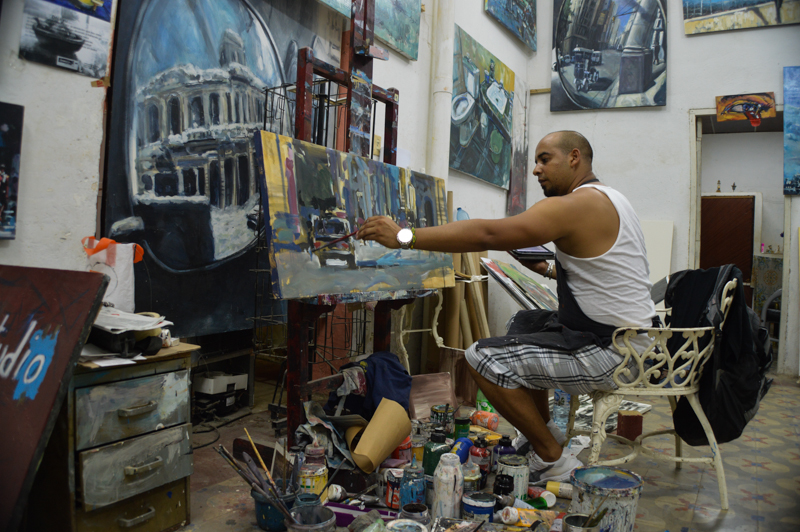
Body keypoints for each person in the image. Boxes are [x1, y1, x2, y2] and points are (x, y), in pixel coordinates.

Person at [357, 131, 656, 482]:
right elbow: (604, 273)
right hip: (631, 342)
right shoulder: (612, 199)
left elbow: (489, 235)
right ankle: (545, 434)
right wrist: (547, 270)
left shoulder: (577, 205)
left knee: (482, 357)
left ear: (574, 157)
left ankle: (553, 459)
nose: (536, 169)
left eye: (545, 159)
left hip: (612, 354)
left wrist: (404, 236)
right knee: (525, 322)